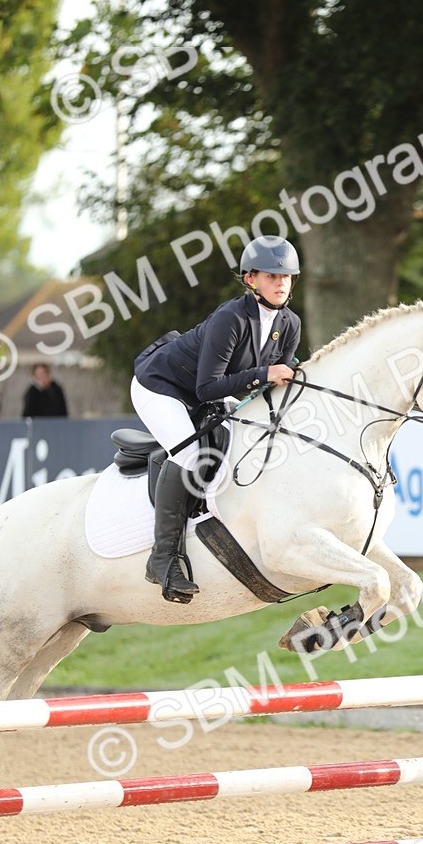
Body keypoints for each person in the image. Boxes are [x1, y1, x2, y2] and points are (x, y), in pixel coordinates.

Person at [132, 234, 301, 603]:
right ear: (250, 279)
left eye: (286, 276)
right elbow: (208, 388)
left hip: (205, 389)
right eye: (271, 276)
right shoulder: (231, 318)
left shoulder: (289, 324)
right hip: (162, 385)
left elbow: (272, 386)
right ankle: (162, 559)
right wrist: (265, 374)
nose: (280, 283)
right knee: (190, 455)